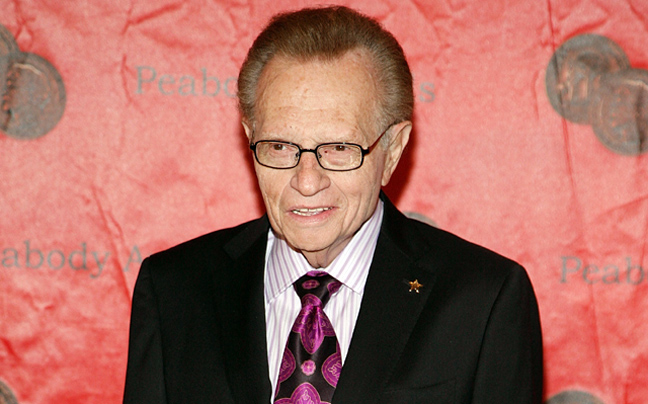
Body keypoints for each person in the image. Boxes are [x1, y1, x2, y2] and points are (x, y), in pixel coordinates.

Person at [123, 5, 543, 404]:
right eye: (280, 146)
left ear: (393, 150)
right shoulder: (174, 291)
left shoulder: (483, 300)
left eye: (340, 148)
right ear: (250, 137)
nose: (307, 181)